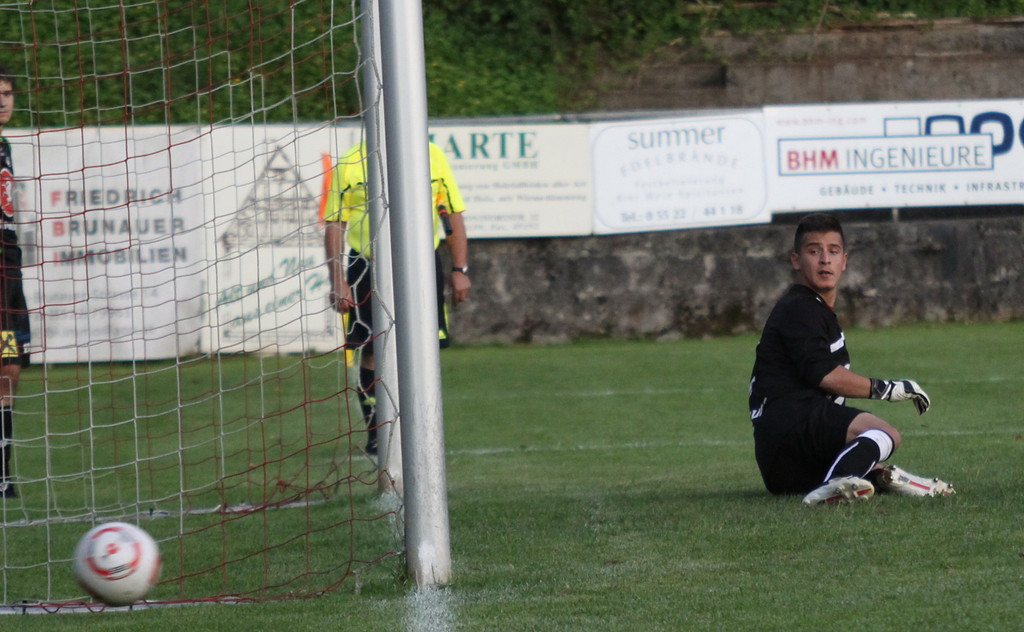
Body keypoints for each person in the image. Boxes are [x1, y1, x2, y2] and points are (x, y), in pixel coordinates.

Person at [748, 213, 954, 506]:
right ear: (796, 260)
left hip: (783, 461)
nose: (824, 260)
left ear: (844, 261)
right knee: (885, 433)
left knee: (867, 463)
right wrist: (887, 389)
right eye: (813, 251)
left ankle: (900, 482)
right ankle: (835, 484)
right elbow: (823, 374)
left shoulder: (813, 309)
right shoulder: (800, 308)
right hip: (791, 430)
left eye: (833, 251)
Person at [323, 141, 470, 456]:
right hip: (367, 266)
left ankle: (421, 431)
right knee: (373, 350)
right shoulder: (350, 162)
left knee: (423, 349)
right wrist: (337, 280)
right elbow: (335, 223)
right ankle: (377, 432)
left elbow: (452, 214)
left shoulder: (432, 154)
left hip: (421, 265)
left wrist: (459, 269)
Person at [0, 64, 30, 498]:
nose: (2, 101)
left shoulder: (4, 145)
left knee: (10, 366)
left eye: (6, 94)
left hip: (7, 270)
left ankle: (3, 474)